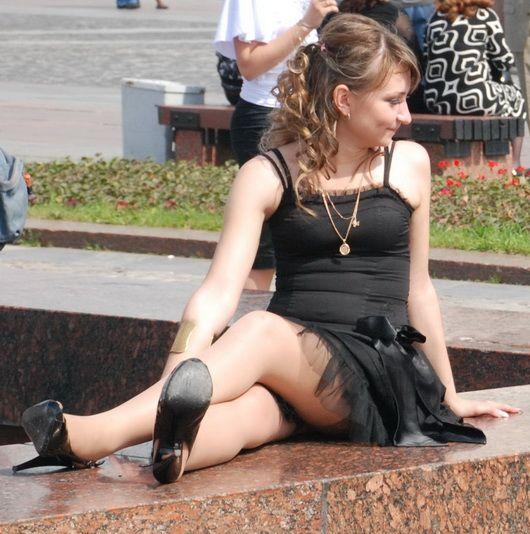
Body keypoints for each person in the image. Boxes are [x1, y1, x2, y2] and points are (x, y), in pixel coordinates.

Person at [13, 14, 521, 485]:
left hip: (378, 372)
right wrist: (176, 376)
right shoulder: (266, 174)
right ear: (344, 99)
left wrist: (448, 396)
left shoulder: (408, 164)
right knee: (241, 416)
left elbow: (419, 289)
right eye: (393, 101)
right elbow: (217, 292)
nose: (405, 116)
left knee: (259, 328)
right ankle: (168, 454)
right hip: (294, 374)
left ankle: (95, 435)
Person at [214, 0, 339, 291]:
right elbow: (249, 65)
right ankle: (244, 311)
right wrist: (306, 24)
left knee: (307, 225)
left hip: (307, 114)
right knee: (265, 239)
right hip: (266, 117)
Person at [423, 0, 527, 168]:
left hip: (437, 100)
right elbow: (504, 59)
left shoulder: (435, 17)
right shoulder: (485, 15)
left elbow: (426, 57)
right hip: (476, 98)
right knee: (517, 98)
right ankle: (515, 163)